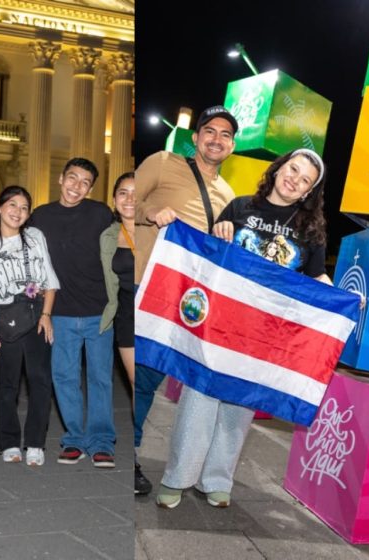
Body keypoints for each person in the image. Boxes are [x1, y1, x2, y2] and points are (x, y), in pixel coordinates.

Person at [156, 148, 331, 509]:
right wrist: (220, 233)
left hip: (265, 333)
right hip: (220, 323)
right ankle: (177, 477)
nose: (294, 179)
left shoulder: (311, 231)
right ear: (279, 167)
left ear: (308, 192)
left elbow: (316, 277)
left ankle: (218, 480)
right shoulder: (239, 207)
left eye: (305, 180)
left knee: (239, 406)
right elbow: (207, 257)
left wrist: (340, 301)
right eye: (292, 168)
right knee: (199, 397)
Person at [133, 106, 238, 494]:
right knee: (142, 377)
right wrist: (150, 211)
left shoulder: (228, 195)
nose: (216, 139)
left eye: (225, 134)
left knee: (154, 376)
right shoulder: (162, 162)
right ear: (195, 138)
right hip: (149, 289)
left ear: (232, 145)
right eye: (209, 131)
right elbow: (126, 202)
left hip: (186, 305)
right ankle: (131, 458)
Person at [29, 157, 115, 468]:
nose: (76, 187)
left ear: (91, 188)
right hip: (59, 313)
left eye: (84, 183)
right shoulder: (41, 216)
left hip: (98, 311)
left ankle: (102, 441)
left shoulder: (100, 214)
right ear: (61, 178)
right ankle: (75, 439)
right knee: (63, 376)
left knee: (100, 378)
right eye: (72, 178)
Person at [0, 186, 58, 466]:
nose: (17, 212)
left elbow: (49, 278)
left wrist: (46, 314)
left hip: (36, 318)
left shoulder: (35, 237)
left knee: (40, 381)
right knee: (7, 384)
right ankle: (8, 441)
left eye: (24, 207)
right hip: (6, 320)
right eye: (12, 205)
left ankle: (35, 443)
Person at [100, 173, 135, 388]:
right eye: (123, 193)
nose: (129, 199)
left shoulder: (157, 229)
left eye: (136, 193)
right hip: (126, 315)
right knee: (134, 381)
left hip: (155, 313)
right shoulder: (108, 236)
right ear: (114, 200)